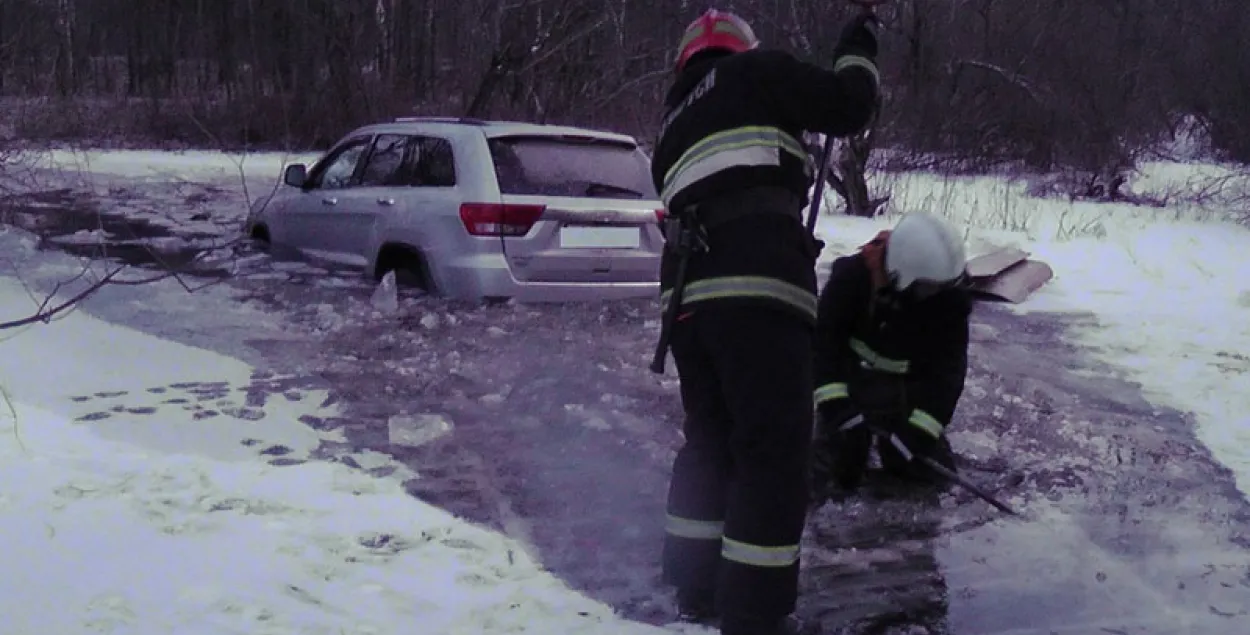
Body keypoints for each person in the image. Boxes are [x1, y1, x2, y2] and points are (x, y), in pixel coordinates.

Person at [648, 8, 881, 635]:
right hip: (756, 289)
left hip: (687, 304)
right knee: (771, 454)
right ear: (740, 48)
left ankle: (695, 589)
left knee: (710, 441)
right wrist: (858, 49)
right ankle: (755, 615)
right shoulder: (756, 73)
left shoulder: (671, 123)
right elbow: (850, 106)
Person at [810, 211, 973, 503]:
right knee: (825, 475)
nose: (935, 295)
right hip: (850, 382)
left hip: (908, 393)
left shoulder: (951, 299)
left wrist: (918, 434)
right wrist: (841, 414)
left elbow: (947, 376)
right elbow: (823, 349)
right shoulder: (852, 279)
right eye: (928, 287)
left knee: (928, 478)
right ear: (901, 273)